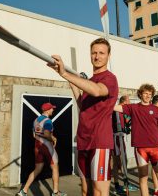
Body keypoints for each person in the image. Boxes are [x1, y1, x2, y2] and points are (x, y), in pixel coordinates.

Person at [48, 38, 118, 196]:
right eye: (94, 52)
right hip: (83, 140)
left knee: (99, 191)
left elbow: (97, 91)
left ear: (108, 55)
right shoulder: (88, 81)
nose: (97, 56)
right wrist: (73, 83)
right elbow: (83, 105)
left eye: (101, 53)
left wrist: (66, 73)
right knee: (86, 190)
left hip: (99, 142)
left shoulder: (109, 78)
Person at [114, 84, 158, 196]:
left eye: (150, 94)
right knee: (143, 179)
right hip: (141, 150)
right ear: (140, 94)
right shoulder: (133, 107)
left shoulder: (155, 109)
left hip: (155, 148)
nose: (148, 96)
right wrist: (105, 98)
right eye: (145, 93)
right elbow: (114, 107)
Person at [17, 103, 67, 196]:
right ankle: (56, 193)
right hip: (47, 146)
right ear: (47, 110)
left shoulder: (36, 120)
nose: (53, 110)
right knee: (55, 167)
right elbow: (47, 134)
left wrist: (48, 136)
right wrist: (53, 138)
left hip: (37, 146)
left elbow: (34, 135)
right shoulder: (48, 121)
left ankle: (24, 191)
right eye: (52, 108)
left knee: (37, 169)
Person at [112, 95, 138, 195]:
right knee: (117, 162)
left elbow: (127, 126)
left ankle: (125, 184)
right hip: (116, 137)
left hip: (121, 137)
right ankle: (117, 186)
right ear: (125, 101)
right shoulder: (116, 110)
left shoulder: (124, 112)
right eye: (129, 101)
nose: (130, 103)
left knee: (124, 161)